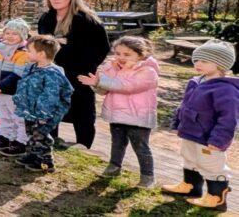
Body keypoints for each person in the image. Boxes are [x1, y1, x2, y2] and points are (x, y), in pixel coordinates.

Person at [161, 40, 239, 212]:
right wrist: (178, 123)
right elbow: (184, 105)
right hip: (190, 133)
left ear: (220, 64)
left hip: (208, 138)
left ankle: (216, 197)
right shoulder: (196, 81)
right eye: (196, 59)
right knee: (189, 158)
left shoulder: (226, 90)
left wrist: (218, 140)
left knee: (211, 165)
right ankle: (190, 186)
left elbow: (229, 119)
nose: (197, 63)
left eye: (204, 61)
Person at [36, 0, 109, 149]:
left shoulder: (86, 19)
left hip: (78, 71)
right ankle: (50, 139)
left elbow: (102, 47)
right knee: (51, 105)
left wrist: (86, 65)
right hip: (52, 71)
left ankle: (83, 145)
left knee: (82, 108)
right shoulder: (46, 18)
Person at [78, 36, 159, 188]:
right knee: (117, 143)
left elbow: (127, 86)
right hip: (117, 114)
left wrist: (100, 81)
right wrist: (96, 84)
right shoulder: (111, 67)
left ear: (141, 54)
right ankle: (114, 167)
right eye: (118, 53)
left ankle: (148, 176)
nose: (121, 57)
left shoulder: (147, 71)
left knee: (140, 146)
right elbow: (104, 90)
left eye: (127, 54)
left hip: (137, 117)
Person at [12, 35, 74, 173]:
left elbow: (50, 97)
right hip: (30, 109)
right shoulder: (31, 68)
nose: (26, 52)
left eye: (29, 50)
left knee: (41, 135)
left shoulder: (52, 74)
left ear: (41, 54)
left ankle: (45, 161)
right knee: (31, 132)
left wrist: (43, 114)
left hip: (44, 113)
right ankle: (32, 154)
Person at [0, 19, 31, 157]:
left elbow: (17, 74)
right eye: (8, 33)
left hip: (14, 92)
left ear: (22, 36)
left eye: (15, 34)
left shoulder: (22, 53)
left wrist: (0, 86)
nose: (10, 36)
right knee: (4, 115)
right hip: (1, 91)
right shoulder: (2, 49)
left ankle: (21, 142)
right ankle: (5, 136)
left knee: (18, 118)